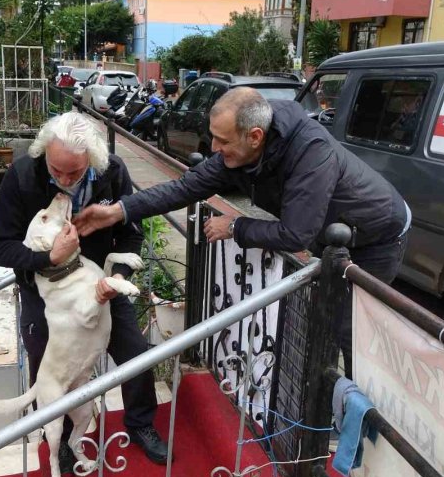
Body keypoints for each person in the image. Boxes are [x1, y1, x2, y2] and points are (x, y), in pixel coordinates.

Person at [74, 87, 411, 377]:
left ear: (255, 137)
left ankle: (356, 416)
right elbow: (183, 188)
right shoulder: (238, 152)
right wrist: (117, 211)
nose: (214, 149)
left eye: (223, 140)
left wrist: (235, 226)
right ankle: (321, 402)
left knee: (346, 329)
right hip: (332, 235)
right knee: (320, 320)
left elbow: (295, 234)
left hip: (376, 236)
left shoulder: (310, 152)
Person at [0, 112, 169, 475]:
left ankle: (140, 423)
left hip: (99, 281)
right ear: (45, 156)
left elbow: (131, 235)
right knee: (49, 366)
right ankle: (62, 441)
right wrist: (47, 257)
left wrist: (114, 276)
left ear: (93, 160)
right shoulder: (23, 175)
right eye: (57, 171)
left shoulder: (112, 172)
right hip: (47, 294)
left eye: (75, 173)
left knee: (135, 352)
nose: (65, 180)